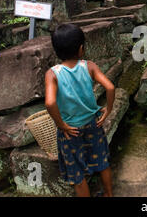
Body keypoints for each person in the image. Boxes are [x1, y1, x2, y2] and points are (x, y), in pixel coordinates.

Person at [45, 23, 115, 197]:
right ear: (81, 48)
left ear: (56, 50)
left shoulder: (52, 74)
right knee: (102, 160)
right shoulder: (89, 66)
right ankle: (108, 194)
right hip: (93, 124)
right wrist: (108, 110)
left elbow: (50, 103)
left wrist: (61, 125)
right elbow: (110, 87)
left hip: (71, 131)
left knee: (77, 173)